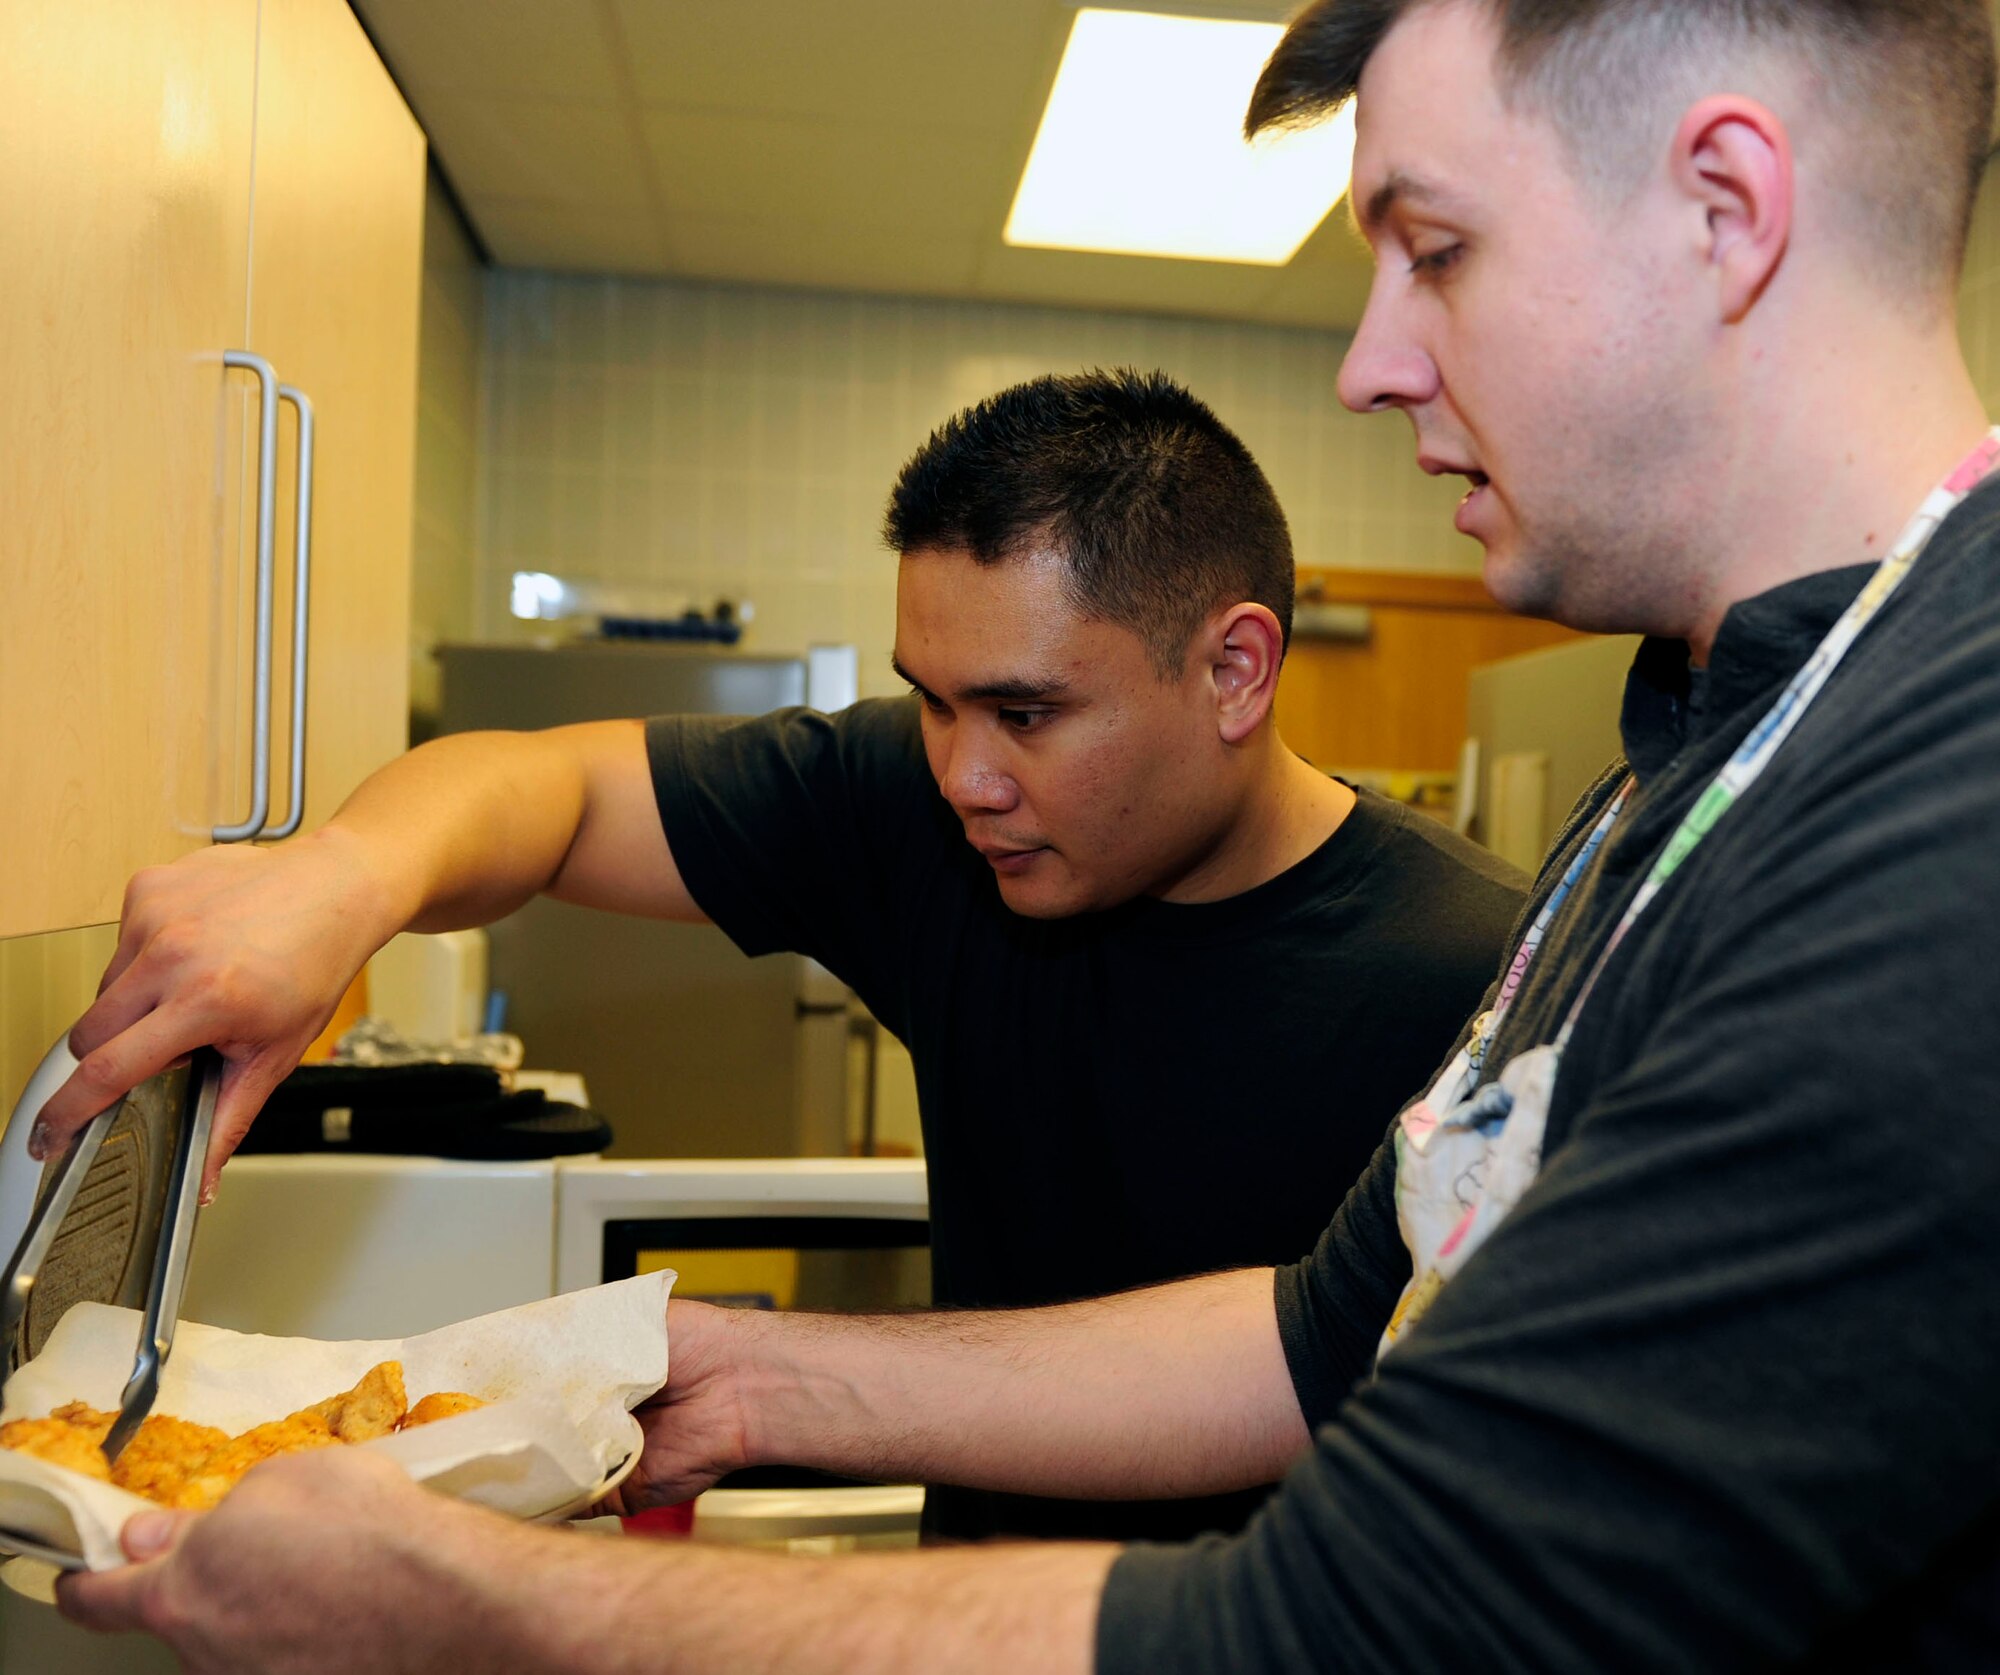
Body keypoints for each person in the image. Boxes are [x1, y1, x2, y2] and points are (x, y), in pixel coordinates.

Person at [54, 0, 2000, 1667]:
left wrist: (483, 1604)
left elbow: (1348, 1624)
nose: (1370, 361)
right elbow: (1319, 1331)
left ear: (1724, 208)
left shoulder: (1945, 832)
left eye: (1437, 246)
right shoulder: (1713, 768)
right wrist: (748, 1373)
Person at [33, 367, 1525, 1548]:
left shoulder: (1478, 980)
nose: (963, 773)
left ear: (1236, 669)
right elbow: (547, 792)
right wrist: (340, 880)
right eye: (929, 702)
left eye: (1024, 712)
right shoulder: (931, 819)